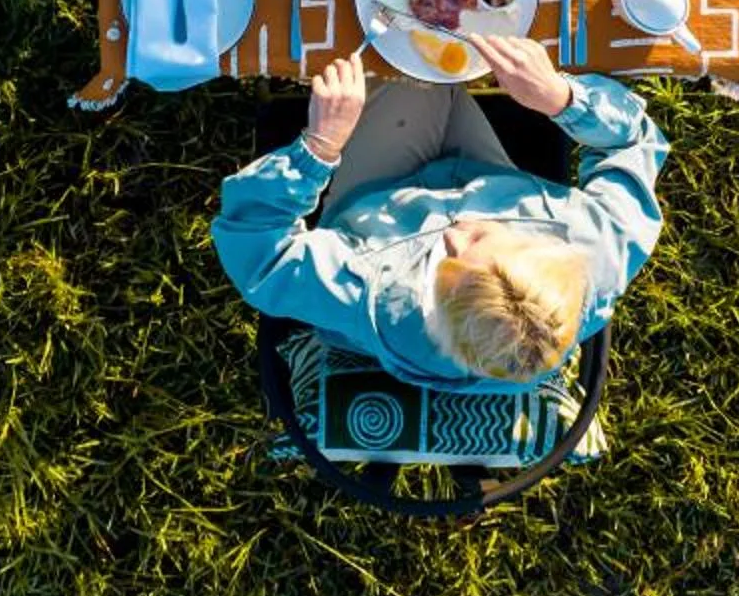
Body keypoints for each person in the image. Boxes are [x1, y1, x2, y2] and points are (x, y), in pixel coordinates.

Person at [213, 35, 667, 391]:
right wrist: (561, 98)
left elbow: (258, 247)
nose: (453, 234)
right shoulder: (598, 249)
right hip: (483, 172)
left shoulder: (371, 293)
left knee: (409, 63)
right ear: (549, 246)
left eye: (444, 268)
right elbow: (637, 142)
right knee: (436, 63)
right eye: (483, 239)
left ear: (431, 307)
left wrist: (320, 147)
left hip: (377, 196)